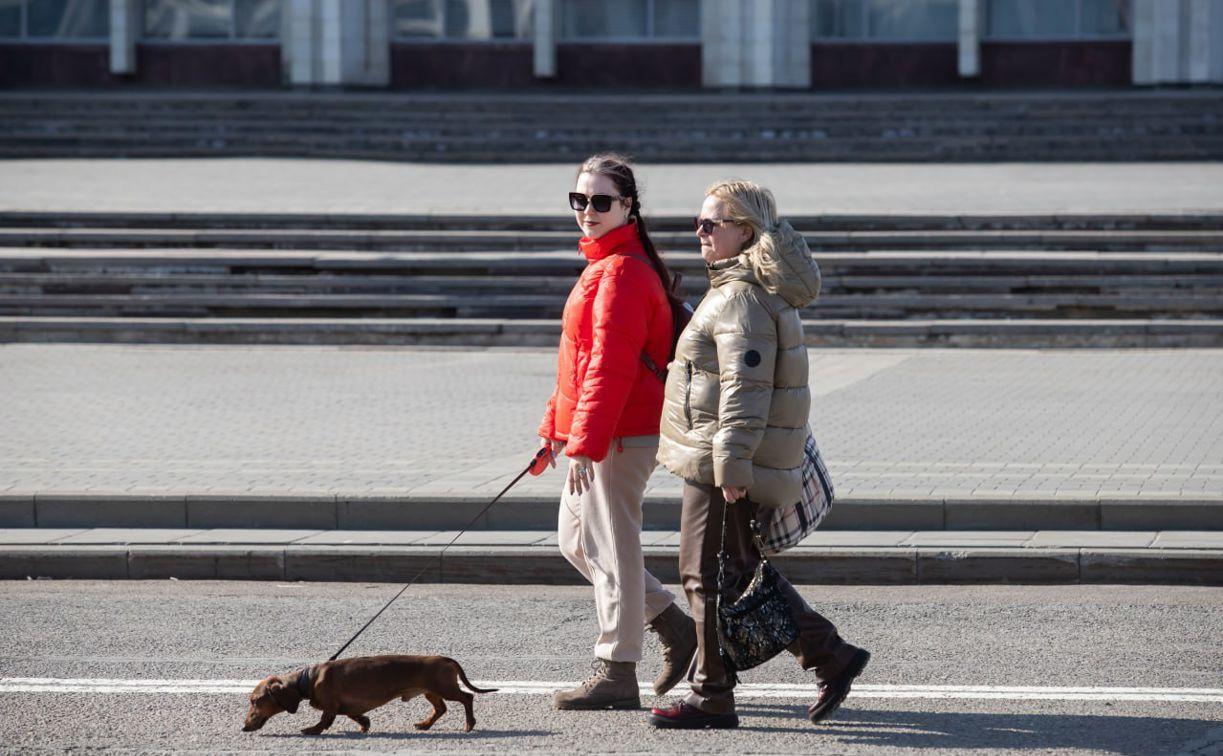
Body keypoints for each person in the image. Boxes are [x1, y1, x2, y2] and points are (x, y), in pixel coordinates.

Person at [648, 180, 871, 729]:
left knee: (704, 574)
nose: (698, 233)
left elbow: (745, 392)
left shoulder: (741, 296)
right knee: (735, 572)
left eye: (710, 224)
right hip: (725, 456)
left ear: (744, 231)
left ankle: (712, 695)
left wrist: (731, 466)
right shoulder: (743, 287)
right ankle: (830, 656)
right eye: (697, 223)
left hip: (721, 461)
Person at [538, 153, 698, 711]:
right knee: (576, 540)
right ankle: (675, 625)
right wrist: (555, 429)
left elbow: (611, 366)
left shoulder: (624, 271)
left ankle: (617, 668)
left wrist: (586, 441)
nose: (587, 210)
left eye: (601, 201)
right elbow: (578, 363)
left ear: (628, 206)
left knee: (612, 546)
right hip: (602, 428)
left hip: (622, 433)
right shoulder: (603, 264)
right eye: (579, 199)